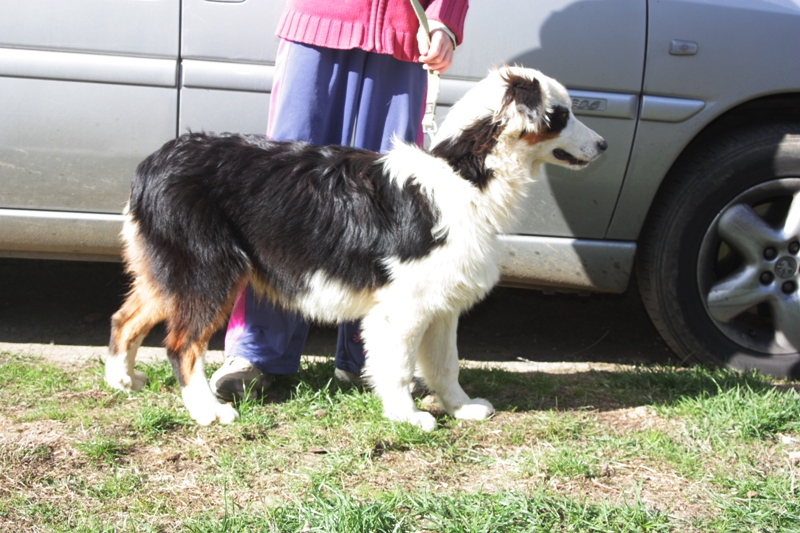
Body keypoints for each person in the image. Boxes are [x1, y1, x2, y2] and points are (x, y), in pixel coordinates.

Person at [210, 0, 469, 401]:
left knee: (389, 201)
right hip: (319, 22)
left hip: (405, 39)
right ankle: (257, 353)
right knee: (283, 193)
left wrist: (444, 21)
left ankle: (373, 358)